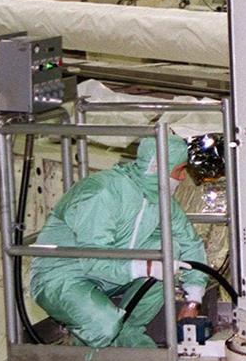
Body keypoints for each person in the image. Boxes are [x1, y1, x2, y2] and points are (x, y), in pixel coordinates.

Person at [30, 135, 209, 349]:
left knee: (170, 250)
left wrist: (193, 300)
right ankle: (94, 345)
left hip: (109, 276)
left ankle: (127, 330)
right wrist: (146, 267)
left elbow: (190, 244)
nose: (182, 177)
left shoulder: (159, 201)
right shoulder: (103, 192)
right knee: (104, 329)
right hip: (62, 276)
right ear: (158, 167)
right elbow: (93, 259)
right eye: (179, 170)